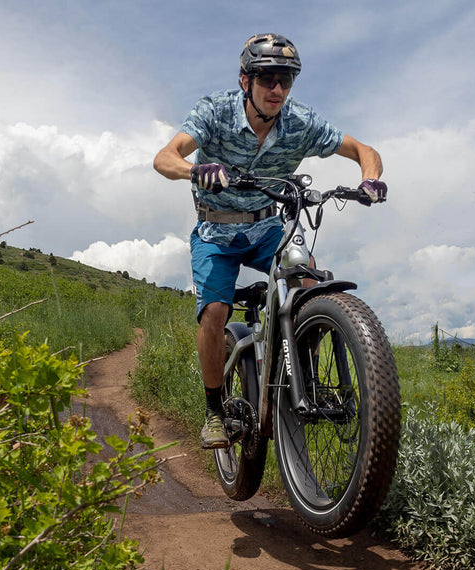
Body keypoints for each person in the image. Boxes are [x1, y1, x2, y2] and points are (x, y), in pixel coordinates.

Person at [153, 33, 388, 449]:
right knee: (215, 311)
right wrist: (195, 169)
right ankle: (213, 412)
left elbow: (362, 150)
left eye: (286, 80)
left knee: (309, 282)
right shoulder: (215, 112)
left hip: (268, 227)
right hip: (216, 230)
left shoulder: (301, 122)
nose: (277, 89)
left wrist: (369, 179)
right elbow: (165, 157)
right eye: (267, 78)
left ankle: (304, 381)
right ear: (246, 80)